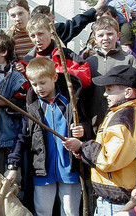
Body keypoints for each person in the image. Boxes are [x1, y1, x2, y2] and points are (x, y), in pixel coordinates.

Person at [63, 65, 136, 215]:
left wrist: (82, 147)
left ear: (128, 92)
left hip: (115, 199)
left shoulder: (123, 119)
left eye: (109, 90)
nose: (105, 95)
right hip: (111, 195)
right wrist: (84, 153)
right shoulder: (120, 112)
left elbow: (109, 159)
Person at [22, 57, 89, 215]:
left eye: (43, 83)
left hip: (69, 167)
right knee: (43, 209)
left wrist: (83, 130)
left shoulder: (70, 101)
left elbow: (86, 122)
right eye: (35, 84)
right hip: (42, 168)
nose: (39, 88)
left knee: (70, 210)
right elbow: (23, 136)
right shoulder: (32, 106)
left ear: (55, 77)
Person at [84, 16, 136, 134]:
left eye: (110, 34)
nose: (106, 38)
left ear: (118, 35)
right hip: (95, 120)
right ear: (94, 38)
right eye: (100, 35)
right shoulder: (90, 62)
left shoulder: (128, 59)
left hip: (123, 120)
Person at [0, 34, 28, 175]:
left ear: (3, 52)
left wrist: (7, 102)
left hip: (7, 133)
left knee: (2, 169)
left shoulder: (16, 77)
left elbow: (23, 103)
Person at [24, 14, 92, 89]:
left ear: (51, 31)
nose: (37, 39)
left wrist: (61, 71)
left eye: (40, 34)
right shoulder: (28, 60)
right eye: (33, 36)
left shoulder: (66, 54)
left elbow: (86, 78)